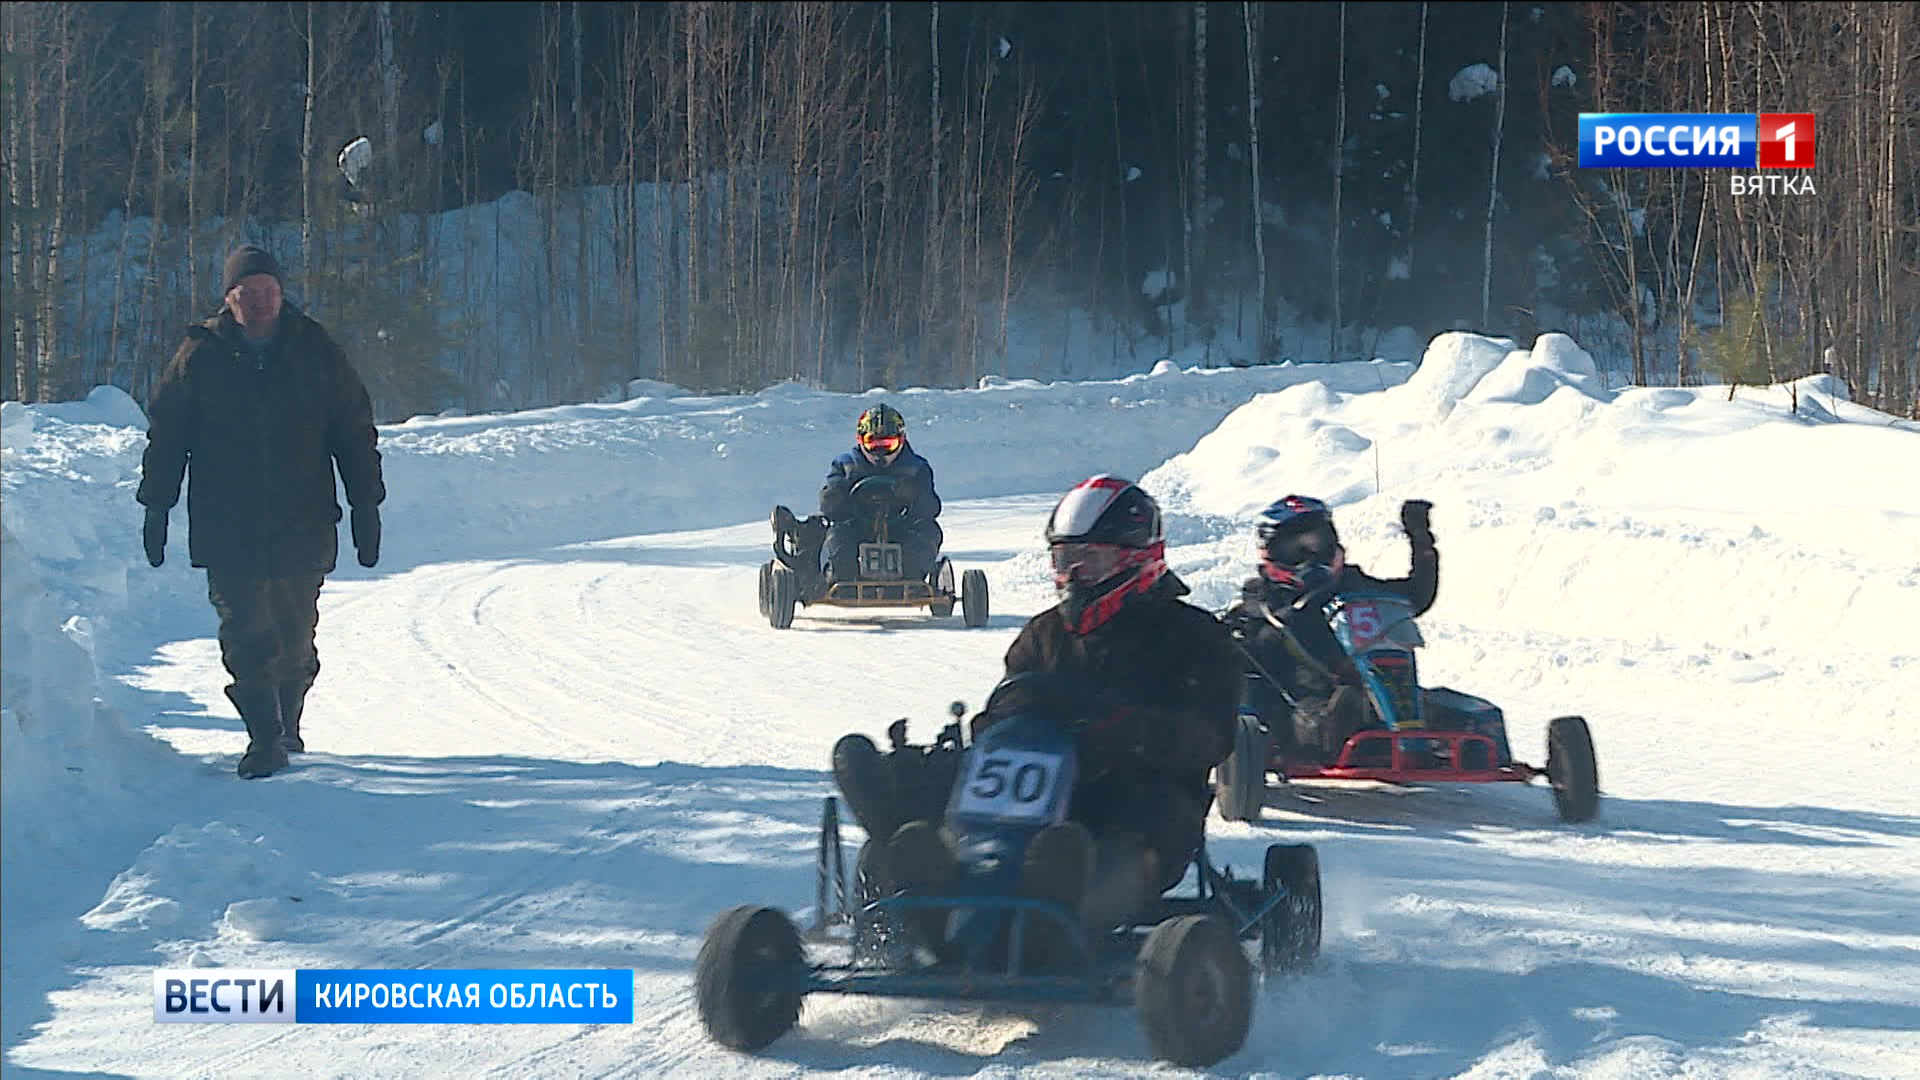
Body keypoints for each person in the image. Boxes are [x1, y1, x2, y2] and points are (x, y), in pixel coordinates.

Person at [833, 475, 1240, 936]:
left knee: (1115, 839)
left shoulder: (1194, 635)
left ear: (1137, 560)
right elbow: (1003, 711)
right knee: (917, 781)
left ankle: (1056, 917)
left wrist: (1124, 726)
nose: (1074, 575)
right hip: (1031, 798)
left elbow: (1213, 736)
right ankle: (917, 877)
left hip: (1134, 801)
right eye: (1065, 560)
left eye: (1091, 560)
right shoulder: (1044, 634)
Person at [136, 244, 386, 780]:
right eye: (247, 293)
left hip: (304, 518)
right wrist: (157, 502)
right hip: (228, 524)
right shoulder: (199, 356)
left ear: (281, 293)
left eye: (269, 291)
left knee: (296, 634)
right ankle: (263, 738)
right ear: (229, 299)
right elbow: (168, 434)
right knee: (246, 631)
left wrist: (366, 502)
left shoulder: (315, 349)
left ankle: (287, 718)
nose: (260, 301)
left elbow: (353, 428)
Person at [1223, 495, 1438, 761]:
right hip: (1296, 702)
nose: (1309, 556)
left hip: (1371, 689)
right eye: (1296, 549)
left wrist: (1421, 538)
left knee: (1471, 714)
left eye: (1316, 543)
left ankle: (1403, 732)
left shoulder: (1353, 585)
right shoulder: (1261, 604)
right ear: (1271, 554)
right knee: (1250, 666)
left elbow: (1415, 597)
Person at [817, 404, 942, 585]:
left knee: (928, 531)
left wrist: (914, 495)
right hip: (857, 528)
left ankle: (912, 576)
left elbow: (931, 509)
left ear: (902, 440)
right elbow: (830, 504)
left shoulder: (916, 468)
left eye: (888, 444)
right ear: (861, 441)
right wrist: (834, 497)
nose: (880, 453)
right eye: (873, 444)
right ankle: (839, 575)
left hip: (902, 528)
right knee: (836, 534)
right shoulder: (846, 465)